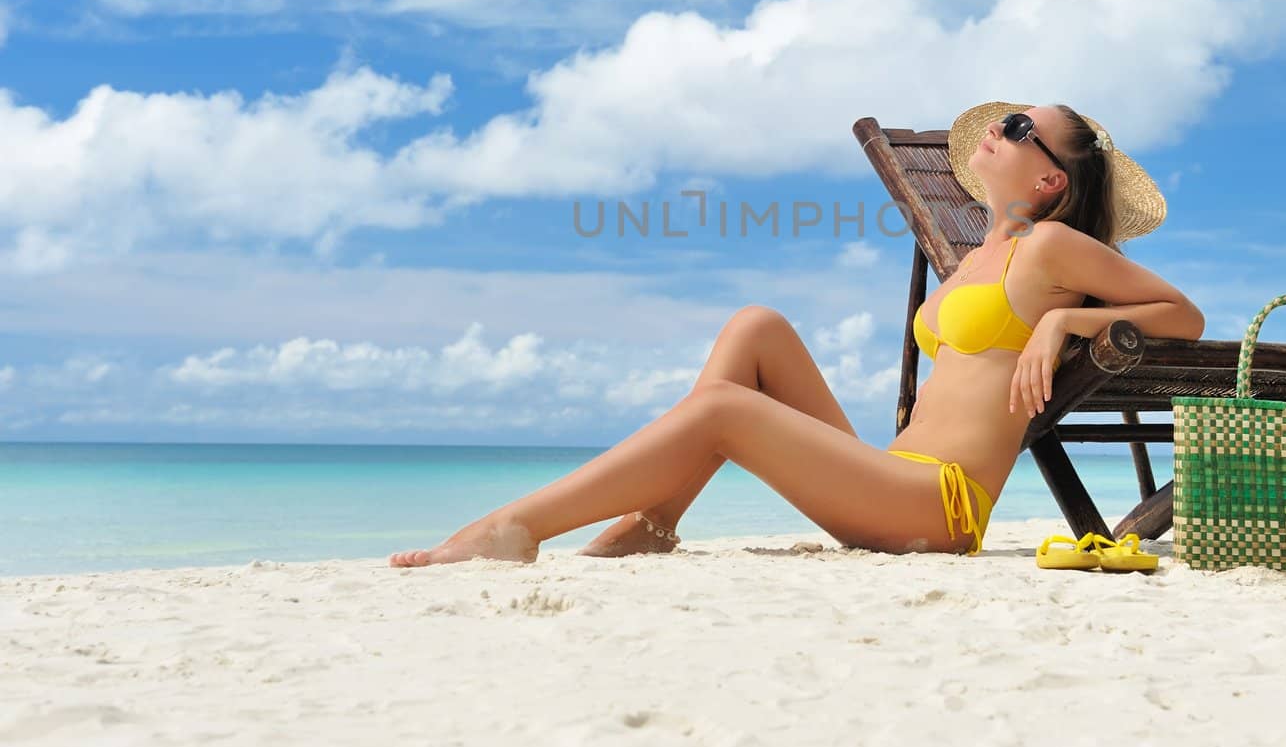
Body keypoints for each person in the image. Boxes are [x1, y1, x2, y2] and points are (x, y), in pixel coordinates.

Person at [389, 101, 1205, 567]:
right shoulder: (971, 259)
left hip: (943, 504)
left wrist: (1065, 318)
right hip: (891, 477)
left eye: (1022, 125)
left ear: (1049, 177)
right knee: (757, 326)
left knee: (722, 411)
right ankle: (652, 522)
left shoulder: (1050, 248)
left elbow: (1183, 314)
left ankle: (517, 527)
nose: (1000, 124)